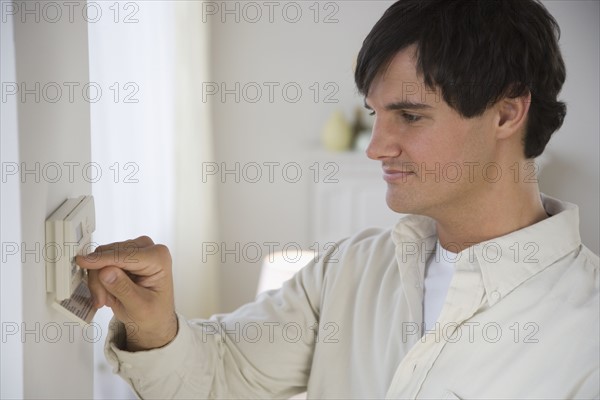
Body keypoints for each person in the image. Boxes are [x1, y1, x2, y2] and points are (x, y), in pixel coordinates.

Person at [78, 0, 599, 398]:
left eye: (410, 116)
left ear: (507, 114)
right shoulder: (347, 269)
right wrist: (153, 327)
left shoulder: (587, 331)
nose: (376, 148)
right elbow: (217, 375)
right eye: (375, 115)